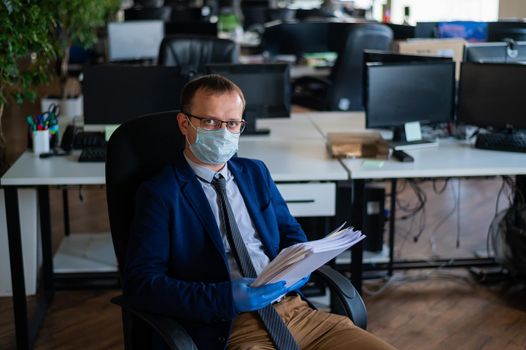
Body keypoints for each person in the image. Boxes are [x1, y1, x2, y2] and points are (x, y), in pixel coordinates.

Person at [123, 74, 396, 350]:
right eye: (210, 121)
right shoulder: (161, 192)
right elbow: (142, 284)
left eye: (232, 124)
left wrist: (300, 267)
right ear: (184, 123)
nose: (223, 132)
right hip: (230, 326)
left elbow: (291, 234)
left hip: (298, 314)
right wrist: (225, 297)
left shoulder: (255, 173)